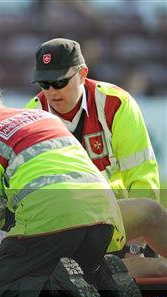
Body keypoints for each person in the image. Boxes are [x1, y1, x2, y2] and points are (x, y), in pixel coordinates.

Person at [0, 78, 142, 297]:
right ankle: (104, 277)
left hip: (55, 219)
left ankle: (58, 283)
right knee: (78, 273)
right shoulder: (42, 116)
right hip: (104, 218)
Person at [25, 38, 165, 258]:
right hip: (67, 223)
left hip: (119, 214)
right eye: (44, 83)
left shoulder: (116, 104)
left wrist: (140, 240)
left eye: (59, 82)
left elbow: (141, 174)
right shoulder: (34, 115)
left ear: (82, 74)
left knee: (152, 220)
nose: (51, 92)